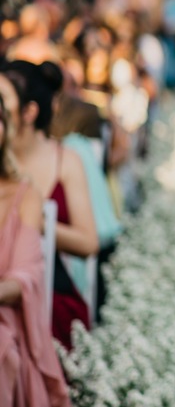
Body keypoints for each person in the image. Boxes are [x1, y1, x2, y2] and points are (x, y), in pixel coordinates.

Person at [3, 59, 97, 350]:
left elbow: (88, 242)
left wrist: (32, 220)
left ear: (29, 112)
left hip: (49, 290)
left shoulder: (66, 160)